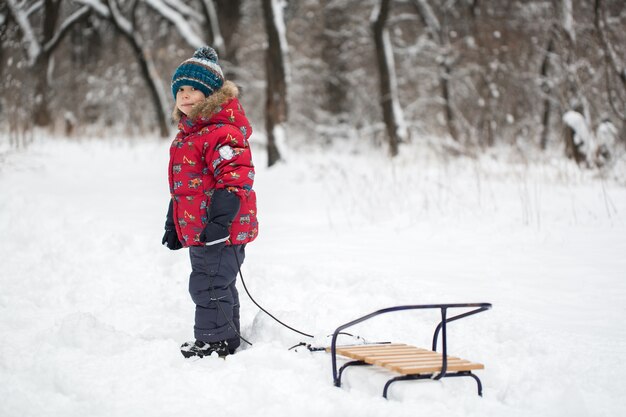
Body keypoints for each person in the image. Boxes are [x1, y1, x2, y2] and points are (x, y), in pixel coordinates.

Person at [162, 46, 258, 358]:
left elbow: (234, 179)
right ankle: (226, 336)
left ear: (211, 95)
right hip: (205, 230)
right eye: (181, 90)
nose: (185, 96)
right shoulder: (190, 135)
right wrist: (173, 222)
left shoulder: (220, 133)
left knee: (209, 285)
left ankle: (216, 341)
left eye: (194, 90)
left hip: (219, 229)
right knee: (219, 283)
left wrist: (220, 222)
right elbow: (185, 188)